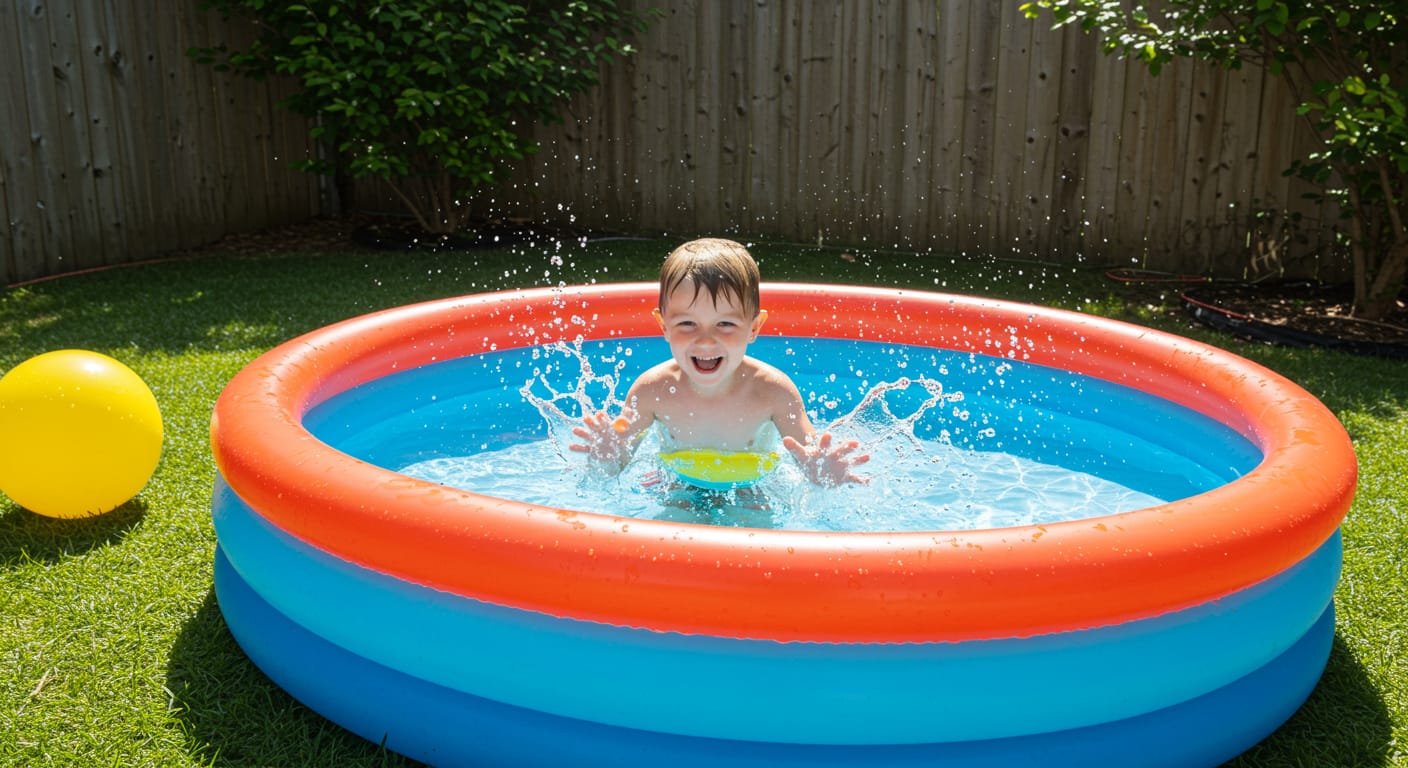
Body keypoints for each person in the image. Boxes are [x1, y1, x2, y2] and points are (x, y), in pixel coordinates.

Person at [569, 237, 868, 488]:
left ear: (753, 328)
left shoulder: (773, 391)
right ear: (663, 326)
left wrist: (823, 472)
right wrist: (607, 455)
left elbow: (809, 456)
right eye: (687, 323)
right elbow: (612, 470)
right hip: (678, 485)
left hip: (752, 491)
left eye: (725, 324)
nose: (706, 340)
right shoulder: (652, 390)